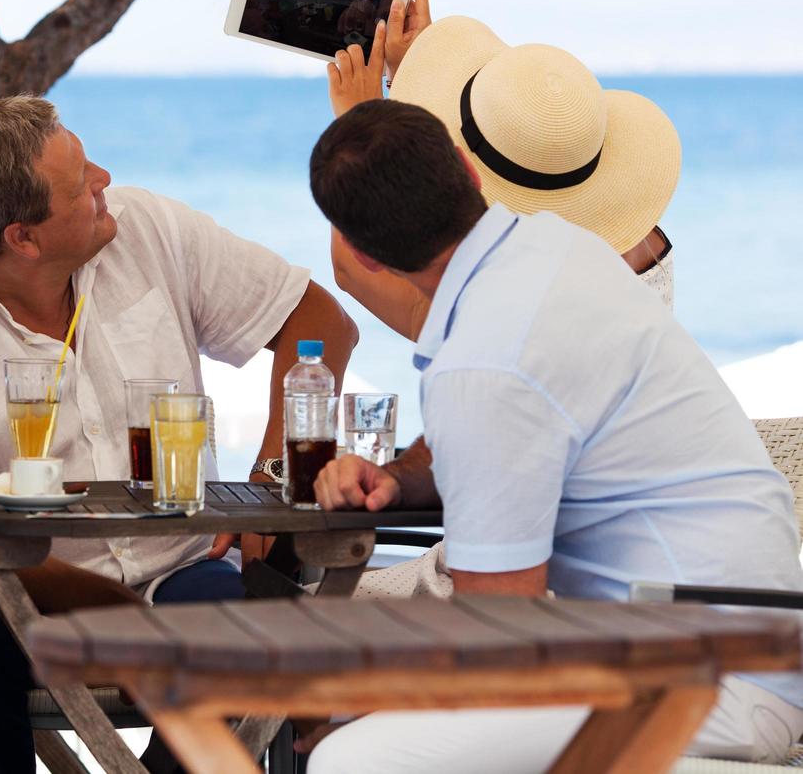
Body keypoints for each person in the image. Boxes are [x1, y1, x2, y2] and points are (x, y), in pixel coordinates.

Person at [304, 98, 803, 770]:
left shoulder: (486, 361)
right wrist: (404, 478)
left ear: (362, 256)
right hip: (739, 647)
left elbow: (499, 632)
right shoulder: (556, 248)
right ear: (468, 171)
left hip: (705, 680)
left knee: (353, 758)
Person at [0, 95, 359, 770]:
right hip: (8, 596)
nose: (104, 178)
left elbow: (318, 324)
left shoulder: (146, 227)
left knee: (234, 642)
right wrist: (106, 602)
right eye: (79, 184)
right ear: (23, 238)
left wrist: (267, 480)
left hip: (180, 569)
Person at [324, 3, 679, 339]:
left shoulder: (512, 285)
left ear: (468, 170)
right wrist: (406, 77)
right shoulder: (640, 240)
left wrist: (361, 123)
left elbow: (354, 269)